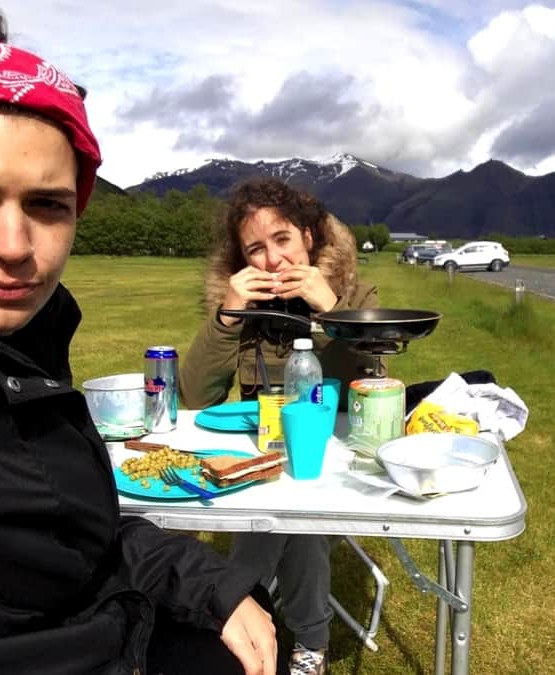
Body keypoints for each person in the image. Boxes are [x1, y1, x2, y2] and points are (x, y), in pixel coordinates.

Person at [0, 24, 285, 675]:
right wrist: (231, 315)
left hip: (104, 617)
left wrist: (205, 582)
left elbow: (76, 531)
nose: (14, 244)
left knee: (260, 603)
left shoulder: (24, 343)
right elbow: (192, 393)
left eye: (47, 204)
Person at [180, 178, 378, 675]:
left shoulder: (355, 293)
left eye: (283, 239)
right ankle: (311, 642)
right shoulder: (241, 306)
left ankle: (230, 619)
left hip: (342, 459)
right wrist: (228, 314)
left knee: (294, 512)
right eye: (256, 249)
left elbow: (377, 383)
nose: (274, 260)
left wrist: (331, 309)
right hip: (265, 458)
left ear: (308, 237)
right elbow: (194, 396)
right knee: (293, 513)